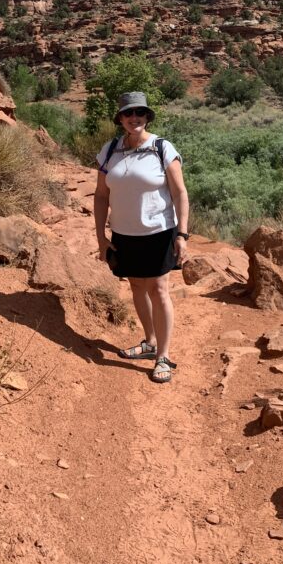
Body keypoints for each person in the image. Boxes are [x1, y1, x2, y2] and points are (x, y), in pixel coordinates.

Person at [94, 92, 190, 383]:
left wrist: (182, 234)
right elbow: (101, 195)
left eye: (140, 113)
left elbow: (179, 193)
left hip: (159, 231)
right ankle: (149, 341)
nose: (134, 118)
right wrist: (101, 237)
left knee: (159, 289)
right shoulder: (109, 150)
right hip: (124, 233)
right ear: (120, 119)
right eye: (128, 113)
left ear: (147, 117)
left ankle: (163, 355)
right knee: (137, 285)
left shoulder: (162, 147)